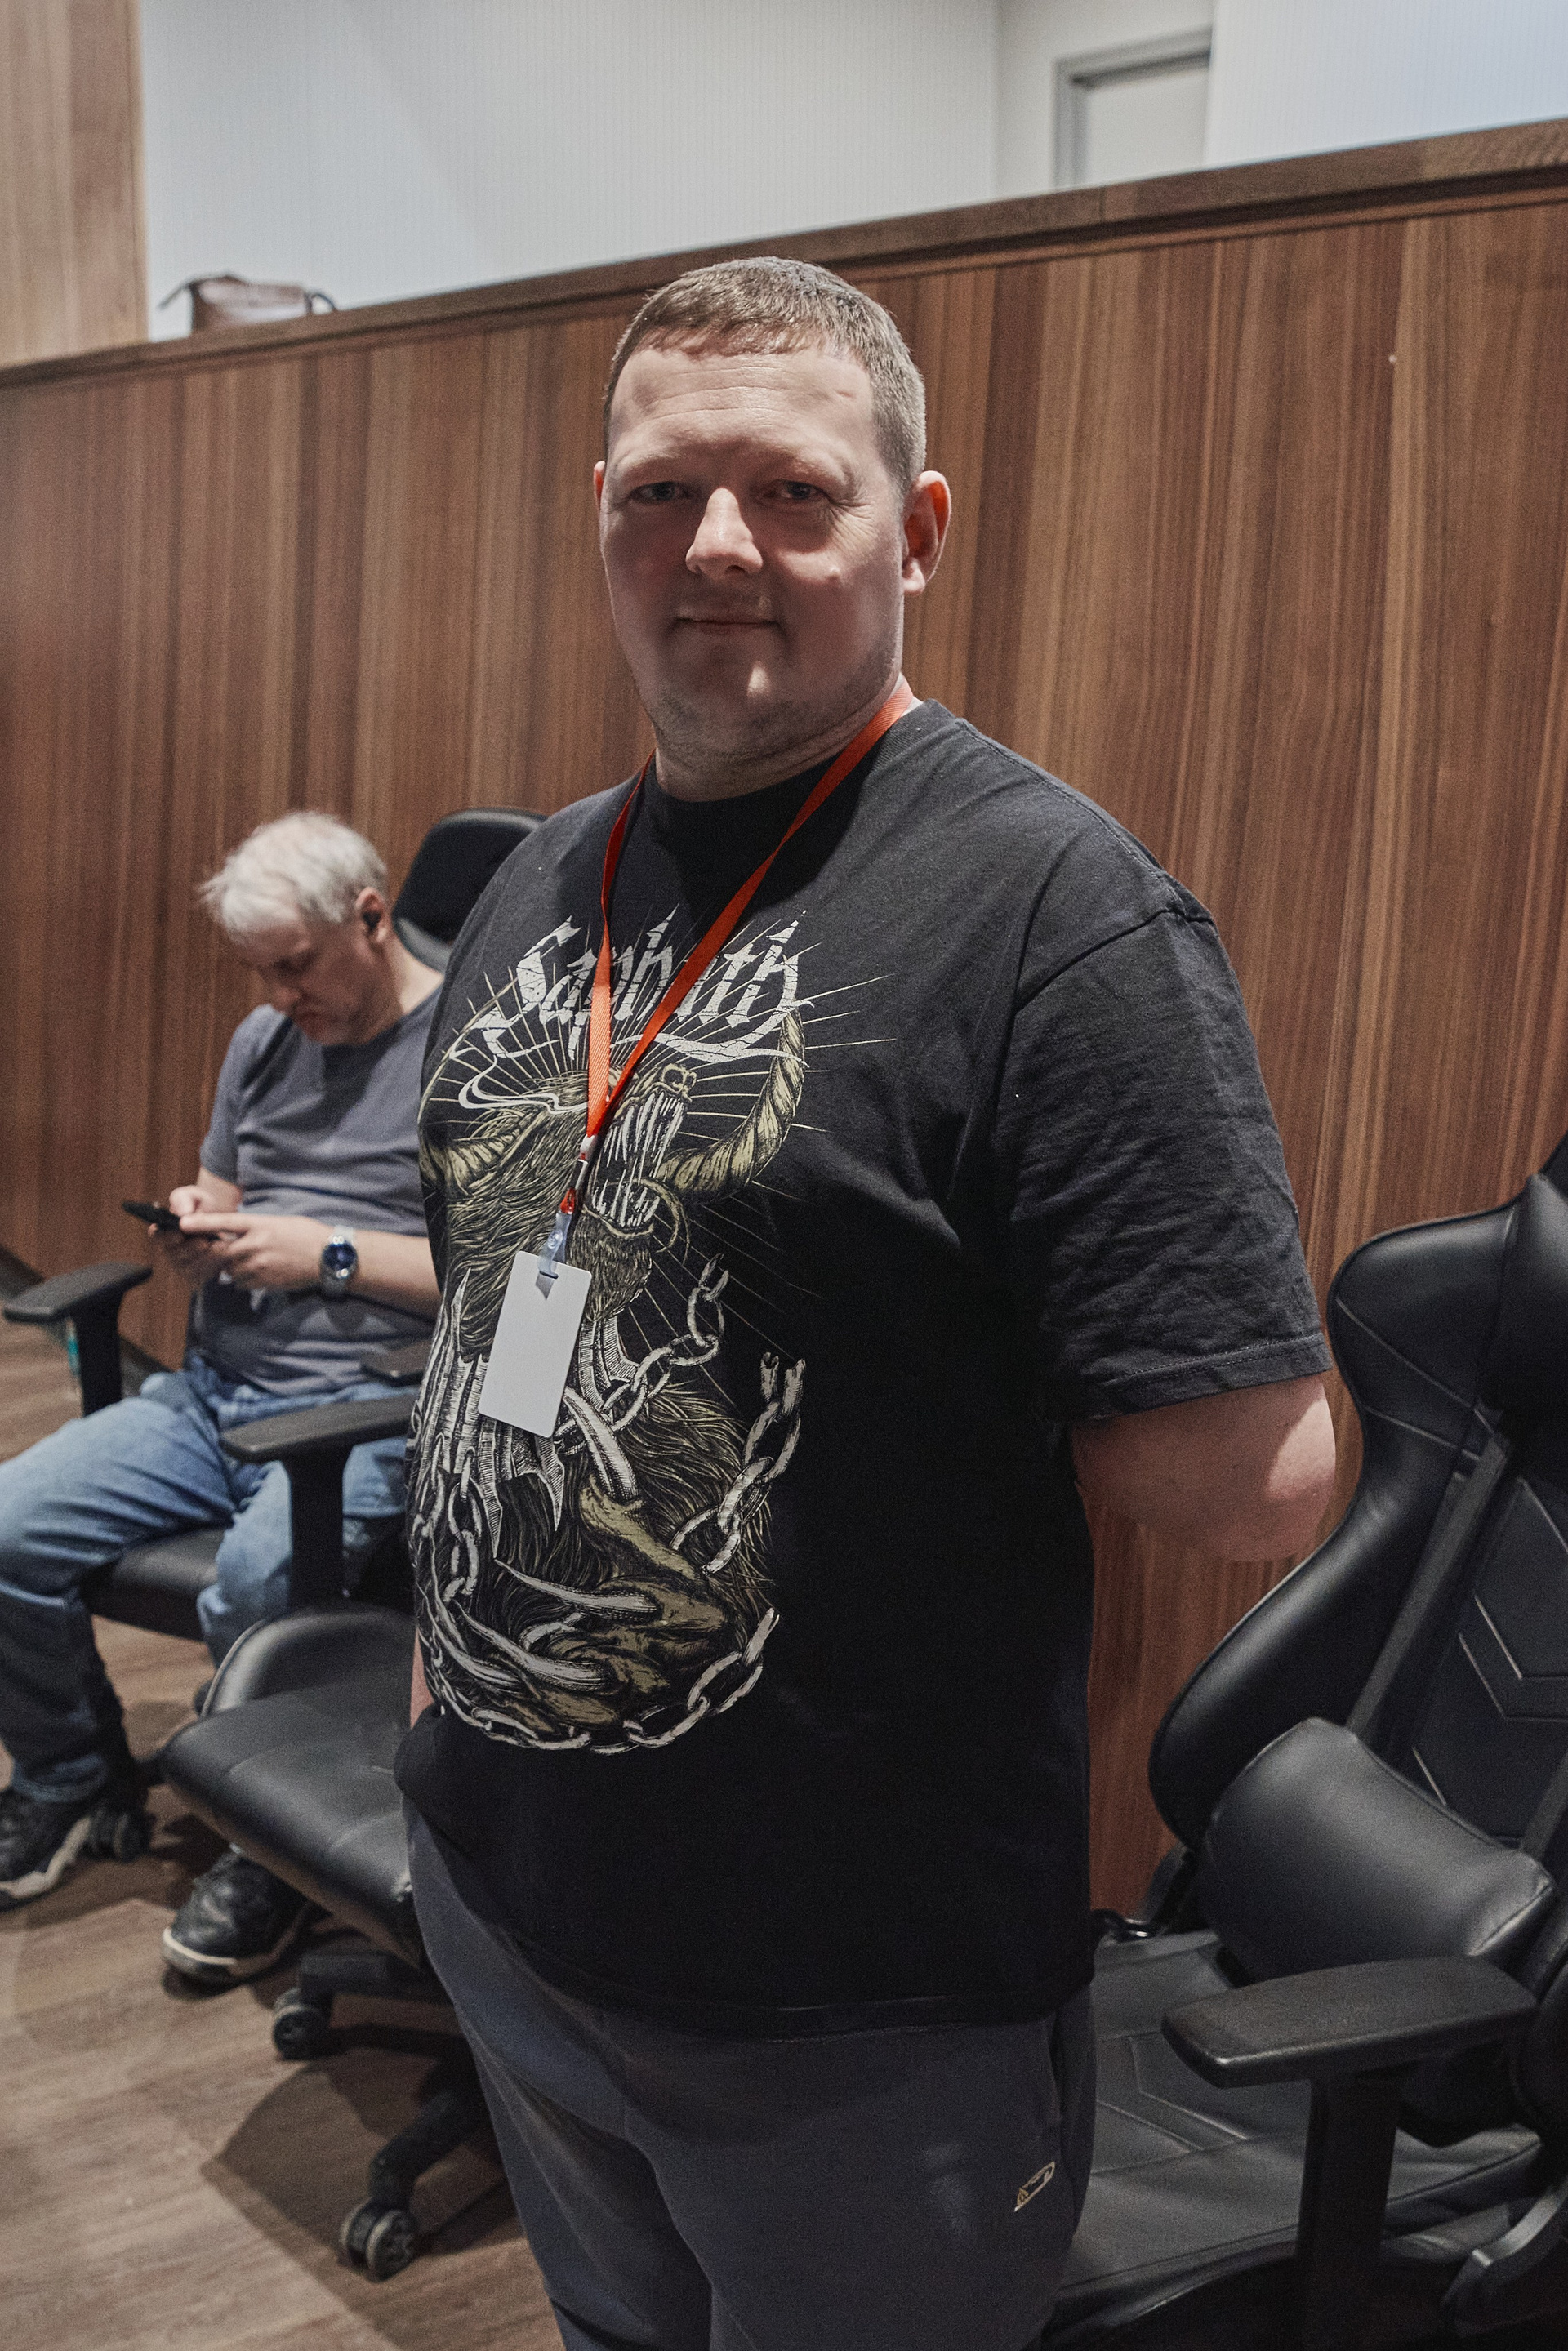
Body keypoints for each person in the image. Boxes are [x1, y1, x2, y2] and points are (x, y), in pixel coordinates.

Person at [398, 259, 1339, 2351]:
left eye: (792, 492)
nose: (717, 546)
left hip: (842, 2008)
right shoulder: (548, 876)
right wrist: (437, 1690)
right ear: (601, 516)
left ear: (913, 531)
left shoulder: (1057, 919)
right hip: (505, 1893)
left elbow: (1256, 1481)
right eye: (664, 492)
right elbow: (475, 1311)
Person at [0, 812, 442, 1986]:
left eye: (297, 966)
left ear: (372, 916)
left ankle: (270, 1845)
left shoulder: (468, 1052)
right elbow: (223, 1191)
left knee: (253, 1583)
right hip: (213, 1398)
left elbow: (497, 1278)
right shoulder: (265, 1039)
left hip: (359, 1415)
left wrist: (328, 1255)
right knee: (6, 1533)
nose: (282, 997)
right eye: (262, 973)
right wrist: (198, 1230)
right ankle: (73, 1779)